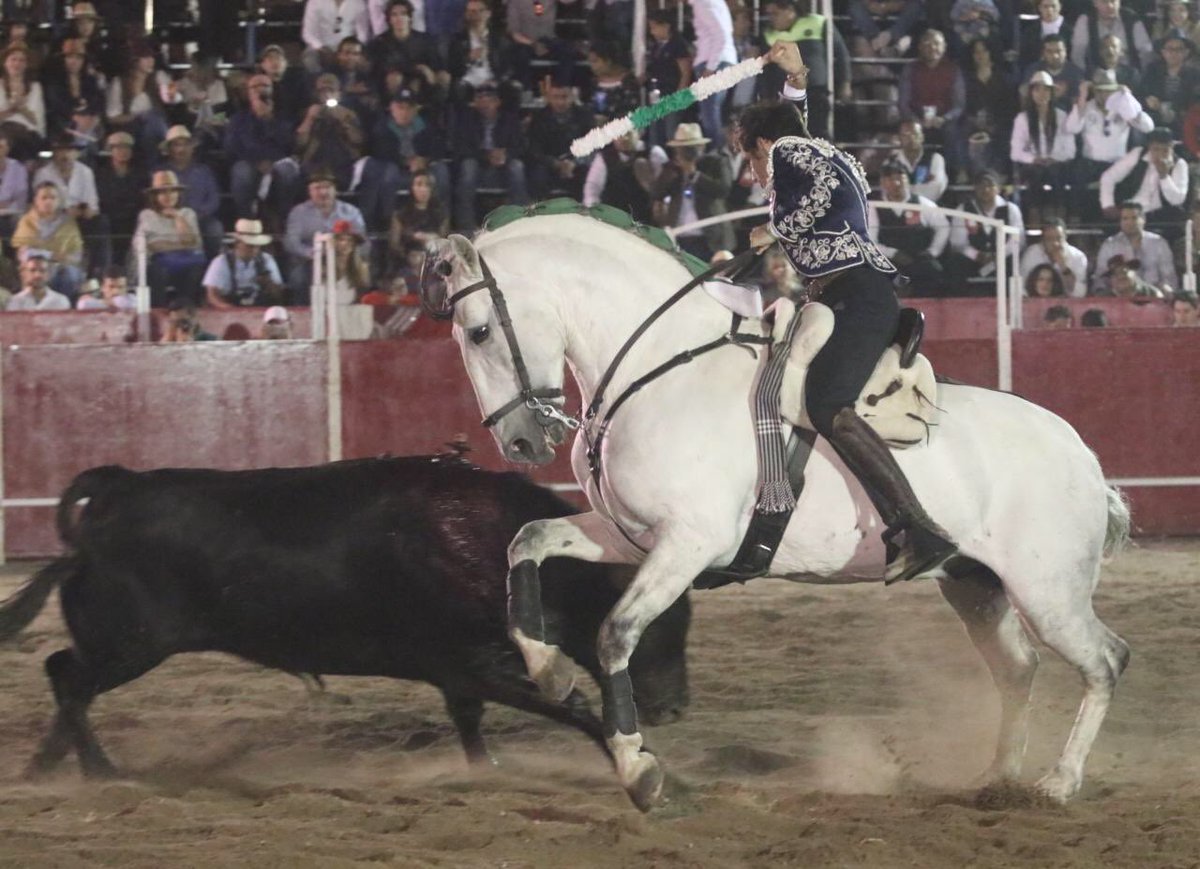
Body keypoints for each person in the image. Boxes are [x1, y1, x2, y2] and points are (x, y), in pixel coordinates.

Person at [740, 40, 956, 584]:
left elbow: (813, 179)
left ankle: (914, 526)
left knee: (827, 402)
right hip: (848, 294)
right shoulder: (803, 148)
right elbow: (802, 141)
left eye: (749, 157)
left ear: (763, 145)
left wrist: (776, 229)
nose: (752, 173)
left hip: (855, 293)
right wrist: (795, 82)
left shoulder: (788, 154)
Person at [1065, 68, 1154, 220]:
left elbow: (1147, 127)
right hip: (1090, 164)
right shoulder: (1086, 108)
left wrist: (1129, 99)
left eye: (1108, 91)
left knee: (1126, 188)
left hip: (1118, 164)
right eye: (1099, 91)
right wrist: (1082, 98)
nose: (1104, 95)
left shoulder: (1123, 108)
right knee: (1078, 186)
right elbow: (1072, 128)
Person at [758, 0, 850, 142]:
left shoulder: (817, 23)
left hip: (816, 91)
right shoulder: (768, 36)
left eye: (775, 14)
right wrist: (765, 97)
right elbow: (765, 71)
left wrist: (845, 82)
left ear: (790, 10)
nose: (771, 18)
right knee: (787, 137)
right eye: (769, 14)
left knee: (819, 135)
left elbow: (841, 52)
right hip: (784, 97)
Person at [224, 73, 300, 229]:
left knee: (287, 170)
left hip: (277, 161)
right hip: (250, 161)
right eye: (255, 87)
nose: (260, 90)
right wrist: (256, 161)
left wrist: (268, 120)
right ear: (248, 92)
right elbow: (232, 148)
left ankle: (283, 219)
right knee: (242, 171)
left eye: (265, 86)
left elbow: (288, 145)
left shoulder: (284, 118)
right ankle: (246, 219)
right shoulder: (238, 119)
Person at [450, 81, 529, 233]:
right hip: (479, 166)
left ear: (498, 102)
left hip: (503, 167)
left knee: (517, 167)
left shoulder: (509, 119)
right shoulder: (467, 120)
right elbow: (460, 149)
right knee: (468, 167)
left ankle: (519, 222)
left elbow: (521, 147)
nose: (484, 103)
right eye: (480, 99)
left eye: (489, 99)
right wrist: (486, 156)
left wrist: (505, 154)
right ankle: (466, 226)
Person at [651, 123, 733, 262]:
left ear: (702, 146)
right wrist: (674, 171)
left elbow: (723, 189)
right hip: (680, 237)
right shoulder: (672, 168)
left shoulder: (716, 162)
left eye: (691, 148)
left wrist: (695, 174)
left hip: (709, 238)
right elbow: (656, 193)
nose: (688, 152)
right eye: (683, 149)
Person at [283, 168, 367, 302]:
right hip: (310, 260)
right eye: (317, 188)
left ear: (335, 190)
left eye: (327, 187)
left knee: (364, 273)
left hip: (345, 258)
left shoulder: (351, 212)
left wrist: (349, 256)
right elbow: (291, 243)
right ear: (309, 191)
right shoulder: (298, 212)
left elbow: (363, 241)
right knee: (298, 277)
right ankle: (304, 312)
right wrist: (313, 253)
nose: (323, 192)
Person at [867, 161, 950, 296]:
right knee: (877, 277)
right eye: (890, 179)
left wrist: (933, 251)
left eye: (900, 178)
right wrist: (893, 253)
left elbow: (943, 226)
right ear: (882, 183)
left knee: (934, 271)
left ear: (907, 180)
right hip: (888, 259)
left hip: (918, 258)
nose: (896, 183)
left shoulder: (922, 203)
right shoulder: (873, 206)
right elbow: (870, 241)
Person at [33, 132, 110, 271]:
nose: (65, 155)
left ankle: (98, 271)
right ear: (54, 152)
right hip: (54, 220)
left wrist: (87, 211)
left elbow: (93, 204)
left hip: (80, 218)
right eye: (61, 150)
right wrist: (63, 212)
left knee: (101, 222)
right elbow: (40, 206)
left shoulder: (85, 172)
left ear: (76, 153)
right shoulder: (43, 174)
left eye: (69, 150)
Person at [897, 29, 966, 180]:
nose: (932, 47)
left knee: (953, 131)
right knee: (910, 135)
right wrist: (916, 121)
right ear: (920, 47)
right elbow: (903, 103)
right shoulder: (911, 69)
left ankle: (954, 175)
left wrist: (944, 119)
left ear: (944, 47)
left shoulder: (953, 69)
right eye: (927, 43)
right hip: (917, 119)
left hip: (943, 120)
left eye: (936, 43)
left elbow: (959, 105)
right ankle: (913, 175)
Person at [1010, 70, 1076, 224]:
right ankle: (1035, 221)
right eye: (1037, 89)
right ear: (1031, 93)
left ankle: (1060, 220)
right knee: (1035, 175)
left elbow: (1070, 150)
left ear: (1052, 93)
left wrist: (1054, 159)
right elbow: (1015, 151)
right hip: (1032, 166)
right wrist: (1034, 159)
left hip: (1057, 164)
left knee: (1057, 174)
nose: (1042, 94)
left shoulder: (1062, 116)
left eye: (1046, 89)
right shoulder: (1022, 119)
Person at [944, 170, 1025, 296]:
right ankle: (959, 303)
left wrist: (998, 255)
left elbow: (1018, 240)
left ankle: (1011, 302)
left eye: (990, 185)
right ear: (975, 188)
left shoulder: (1011, 209)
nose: (985, 189)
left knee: (1014, 264)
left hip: (1003, 259)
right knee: (955, 263)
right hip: (974, 260)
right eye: (981, 185)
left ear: (997, 188)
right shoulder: (963, 209)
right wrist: (977, 255)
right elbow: (957, 242)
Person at [1098, 126, 1189, 235]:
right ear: (1150, 147)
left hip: (1161, 215)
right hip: (1133, 210)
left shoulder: (1179, 164)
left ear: (1172, 147)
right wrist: (1108, 204)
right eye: (1156, 149)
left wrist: (1164, 176)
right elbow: (1108, 177)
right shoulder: (1137, 154)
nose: (1160, 154)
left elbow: (1177, 200)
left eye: (1165, 150)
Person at [136, 170, 206, 306]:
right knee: (157, 273)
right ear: (155, 196)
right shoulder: (147, 215)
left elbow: (192, 242)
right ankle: (159, 312)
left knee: (195, 271)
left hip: (185, 262)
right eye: (163, 192)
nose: (168, 196)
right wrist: (179, 244)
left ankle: (189, 311)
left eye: (172, 191)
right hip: (158, 264)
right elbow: (153, 245)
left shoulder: (188, 214)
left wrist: (177, 217)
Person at [11, 182, 85, 300]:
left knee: (68, 275)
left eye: (52, 198)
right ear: (36, 200)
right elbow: (24, 253)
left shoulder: (68, 223)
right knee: (34, 272)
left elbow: (76, 256)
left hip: (62, 269)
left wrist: (56, 258)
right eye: (44, 198)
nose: (48, 202)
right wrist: (51, 255)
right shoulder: (27, 221)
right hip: (36, 267)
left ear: (59, 200)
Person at [526, 80, 593, 200]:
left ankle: (584, 212)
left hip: (577, 162)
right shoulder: (539, 117)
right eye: (555, 97)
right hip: (549, 163)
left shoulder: (584, 115)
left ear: (572, 97)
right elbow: (534, 148)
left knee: (589, 173)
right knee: (537, 173)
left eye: (564, 97)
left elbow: (593, 145)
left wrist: (574, 162)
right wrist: (555, 163)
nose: (560, 102)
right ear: (548, 98)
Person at [1092, 201, 1178, 295]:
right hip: (1119, 299)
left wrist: (1165, 292)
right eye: (1125, 219)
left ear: (1143, 219)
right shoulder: (1109, 245)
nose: (1129, 222)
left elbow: (1169, 277)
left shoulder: (1159, 243)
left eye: (1134, 218)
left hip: (1154, 297)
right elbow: (1100, 279)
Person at [581, 129, 665, 223]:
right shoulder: (603, 158)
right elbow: (592, 189)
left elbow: (665, 189)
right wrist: (593, 215)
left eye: (628, 133)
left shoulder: (654, 153)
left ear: (640, 132)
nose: (624, 138)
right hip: (614, 221)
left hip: (646, 221)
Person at [203, 219, 285, 309]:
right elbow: (212, 295)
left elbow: (278, 294)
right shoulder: (221, 262)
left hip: (259, 310)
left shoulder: (267, 260)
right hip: (228, 309)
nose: (254, 250)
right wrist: (230, 310)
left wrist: (268, 283)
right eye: (249, 245)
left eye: (257, 246)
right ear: (237, 243)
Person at [95, 131, 146, 265]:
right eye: (118, 147)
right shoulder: (101, 174)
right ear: (111, 150)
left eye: (127, 147)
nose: (123, 151)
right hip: (109, 218)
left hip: (132, 217)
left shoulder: (140, 173)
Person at [386, 169, 447, 278]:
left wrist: (433, 240)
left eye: (427, 185)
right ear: (412, 188)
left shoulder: (441, 214)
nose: (423, 189)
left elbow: (445, 243)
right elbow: (394, 245)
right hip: (406, 263)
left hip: (433, 262)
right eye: (419, 185)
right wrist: (409, 256)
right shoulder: (401, 214)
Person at [1138, 28, 1200, 135]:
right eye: (1170, 49)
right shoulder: (1152, 71)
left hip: (1184, 125)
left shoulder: (1195, 75)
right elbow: (1141, 95)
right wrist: (1148, 101)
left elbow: (1194, 104)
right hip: (1154, 123)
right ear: (1163, 51)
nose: (1174, 53)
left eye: (1179, 49)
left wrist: (1164, 107)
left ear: (1186, 52)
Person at [1071, 0, 1153, 72]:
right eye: (1104, 1)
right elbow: (1078, 53)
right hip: (1096, 76)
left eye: (1113, 1)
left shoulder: (1132, 19)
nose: (1110, 6)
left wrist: (1143, 76)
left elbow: (1146, 51)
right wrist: (1083, 76)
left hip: (1128, 75)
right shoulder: (1086, 20)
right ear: (1095, 3)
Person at [1020, 218, 1089, 297]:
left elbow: (1079, 294)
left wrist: (1063, 266)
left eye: (1059, 238)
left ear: (1065, 237)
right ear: (1042, 240)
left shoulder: (1078, 257)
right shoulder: (1031, 254)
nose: (1055, 244)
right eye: (1049, 239)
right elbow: (1022, 289)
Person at [0, 45, 45, 160]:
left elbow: (36, 120)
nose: (17, 64)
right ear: (5, 63)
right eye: (13, 59)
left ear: (26, 64)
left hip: (27, 133)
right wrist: (11, 110)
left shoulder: (35, 87)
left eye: (21, 60)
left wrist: (21, 108)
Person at [891, 119, 947, 203]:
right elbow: (890, 192)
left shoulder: (935, 159)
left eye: (915, 134)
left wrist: (904, 189)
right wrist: (923, 186)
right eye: (906, 135)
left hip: (929, 210)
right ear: (899, 138)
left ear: (922, 137)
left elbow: (935, 190)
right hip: (901, 211)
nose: (911, 138)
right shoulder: (891, 161)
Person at [6, 253, 71, 310]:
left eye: (42, 271)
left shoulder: (61, 301)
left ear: (49, 274)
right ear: (24, 274)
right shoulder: (15, 301)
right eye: (32, 270)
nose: (37, 275)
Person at [0, 128, 27, 240]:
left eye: (1, 147)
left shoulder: (18, 168)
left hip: (11, 214)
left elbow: (21, 197)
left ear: (7, 149)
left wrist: (7, 205)